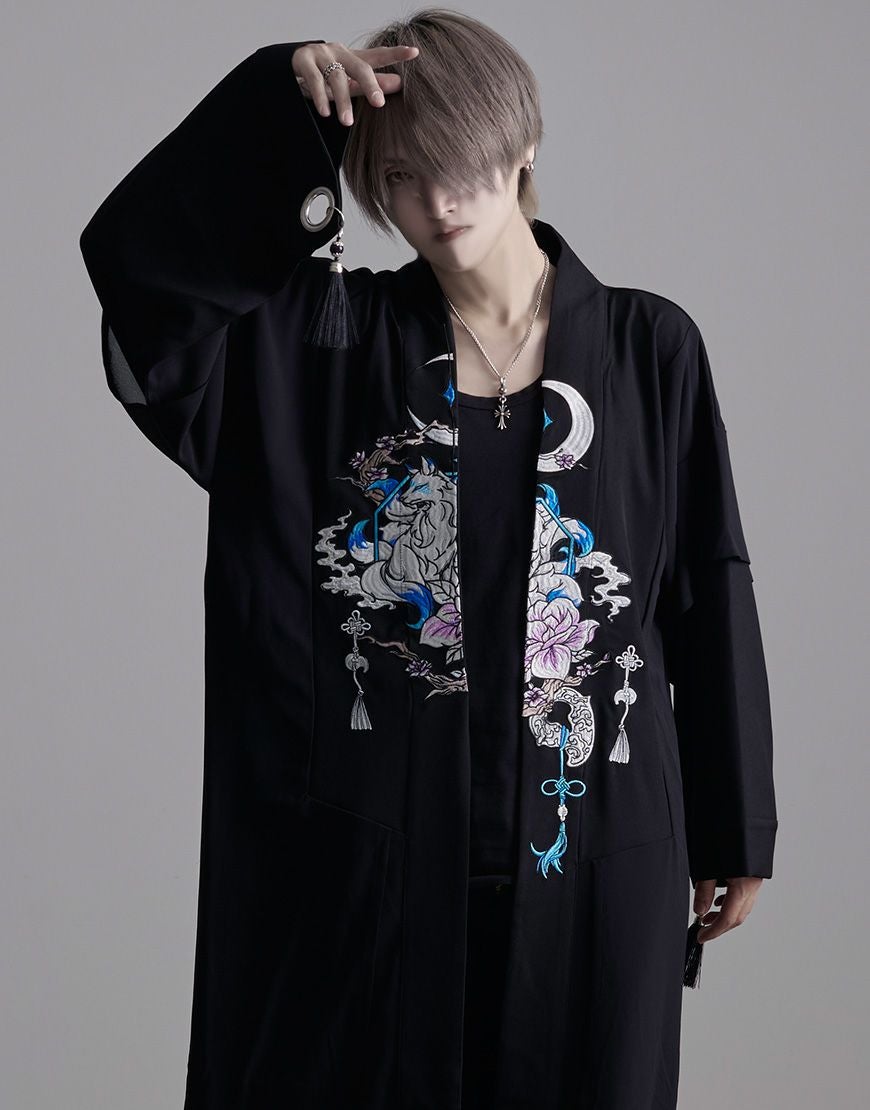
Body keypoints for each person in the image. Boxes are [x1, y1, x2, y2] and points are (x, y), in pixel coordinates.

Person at [79, 8, 777, 1108]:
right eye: (400, 178)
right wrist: (279, 113)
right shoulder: (321, 346)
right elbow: (146, 290)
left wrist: (736, 824)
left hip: (598, 855)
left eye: (460, 166)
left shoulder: (648, 349)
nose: (437, 203)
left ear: (524, 144)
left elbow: (706, 587)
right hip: (364, 874)